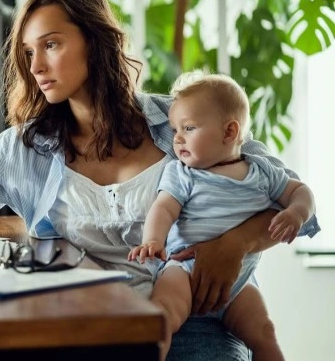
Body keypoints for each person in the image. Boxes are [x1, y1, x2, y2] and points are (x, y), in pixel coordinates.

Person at [0, 0, 320, 360]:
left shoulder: (179, 121)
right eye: (28, 52)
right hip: (85, 329)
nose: (36, 66)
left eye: (52, 45)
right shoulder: (23, 150)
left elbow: (291, 200)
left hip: (196, 328)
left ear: (96, 43)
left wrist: (235, 243)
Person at [128, 71, 315, 361]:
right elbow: (163, 207)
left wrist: (296, 212)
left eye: (187, 128)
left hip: (238, 282)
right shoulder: (183, 173)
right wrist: (153, 240)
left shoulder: (262, 172)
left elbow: (300, 191)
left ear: (229, 132)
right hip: (183, 270)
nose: (176, 139)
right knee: (162, 319)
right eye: (175, 130)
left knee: (264, 332)